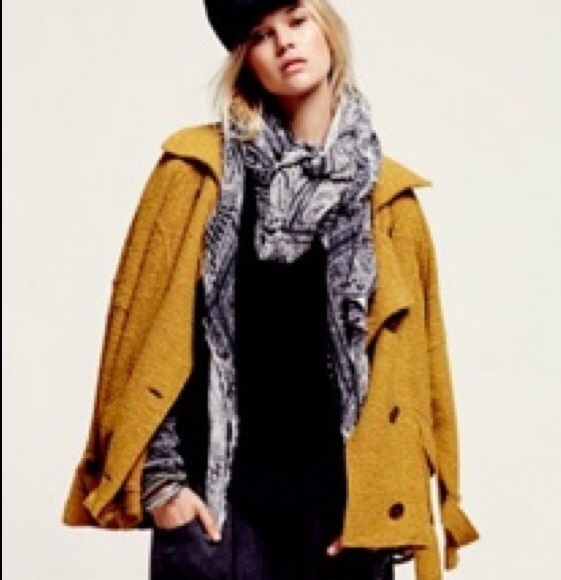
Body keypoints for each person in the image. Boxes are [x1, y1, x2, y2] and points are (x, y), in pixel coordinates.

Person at [62, 0, 479, 578]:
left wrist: (384, 509)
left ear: (327, 29)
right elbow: (136, 339)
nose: (285, 42)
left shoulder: (389, 202)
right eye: (261, 35)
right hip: (218, 520)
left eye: (297, 20)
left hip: (342, 528)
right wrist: (163, 487)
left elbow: (420, 377)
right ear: (245, 59)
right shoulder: (194, 175)